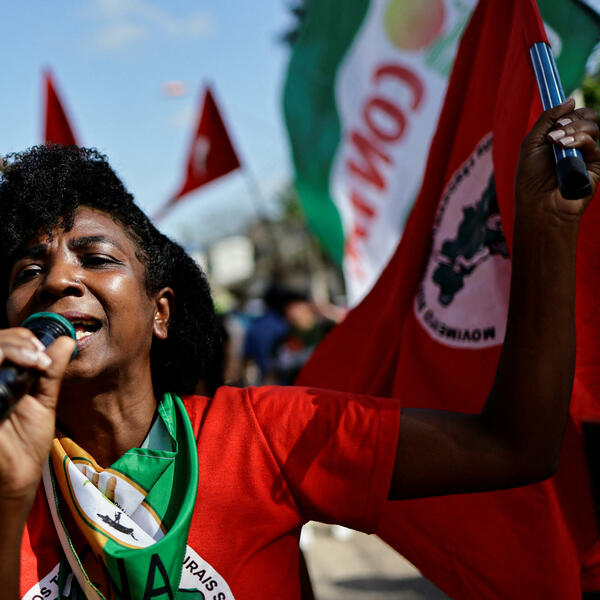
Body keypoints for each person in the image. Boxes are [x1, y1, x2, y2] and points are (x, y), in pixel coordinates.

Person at [0, 98, 597, 600]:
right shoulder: (8, 473)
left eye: (97, 258)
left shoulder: (263, 435)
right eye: (28, 271)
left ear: (161, 313)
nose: (57, 281)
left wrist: (547, 226)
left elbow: (515, 446)